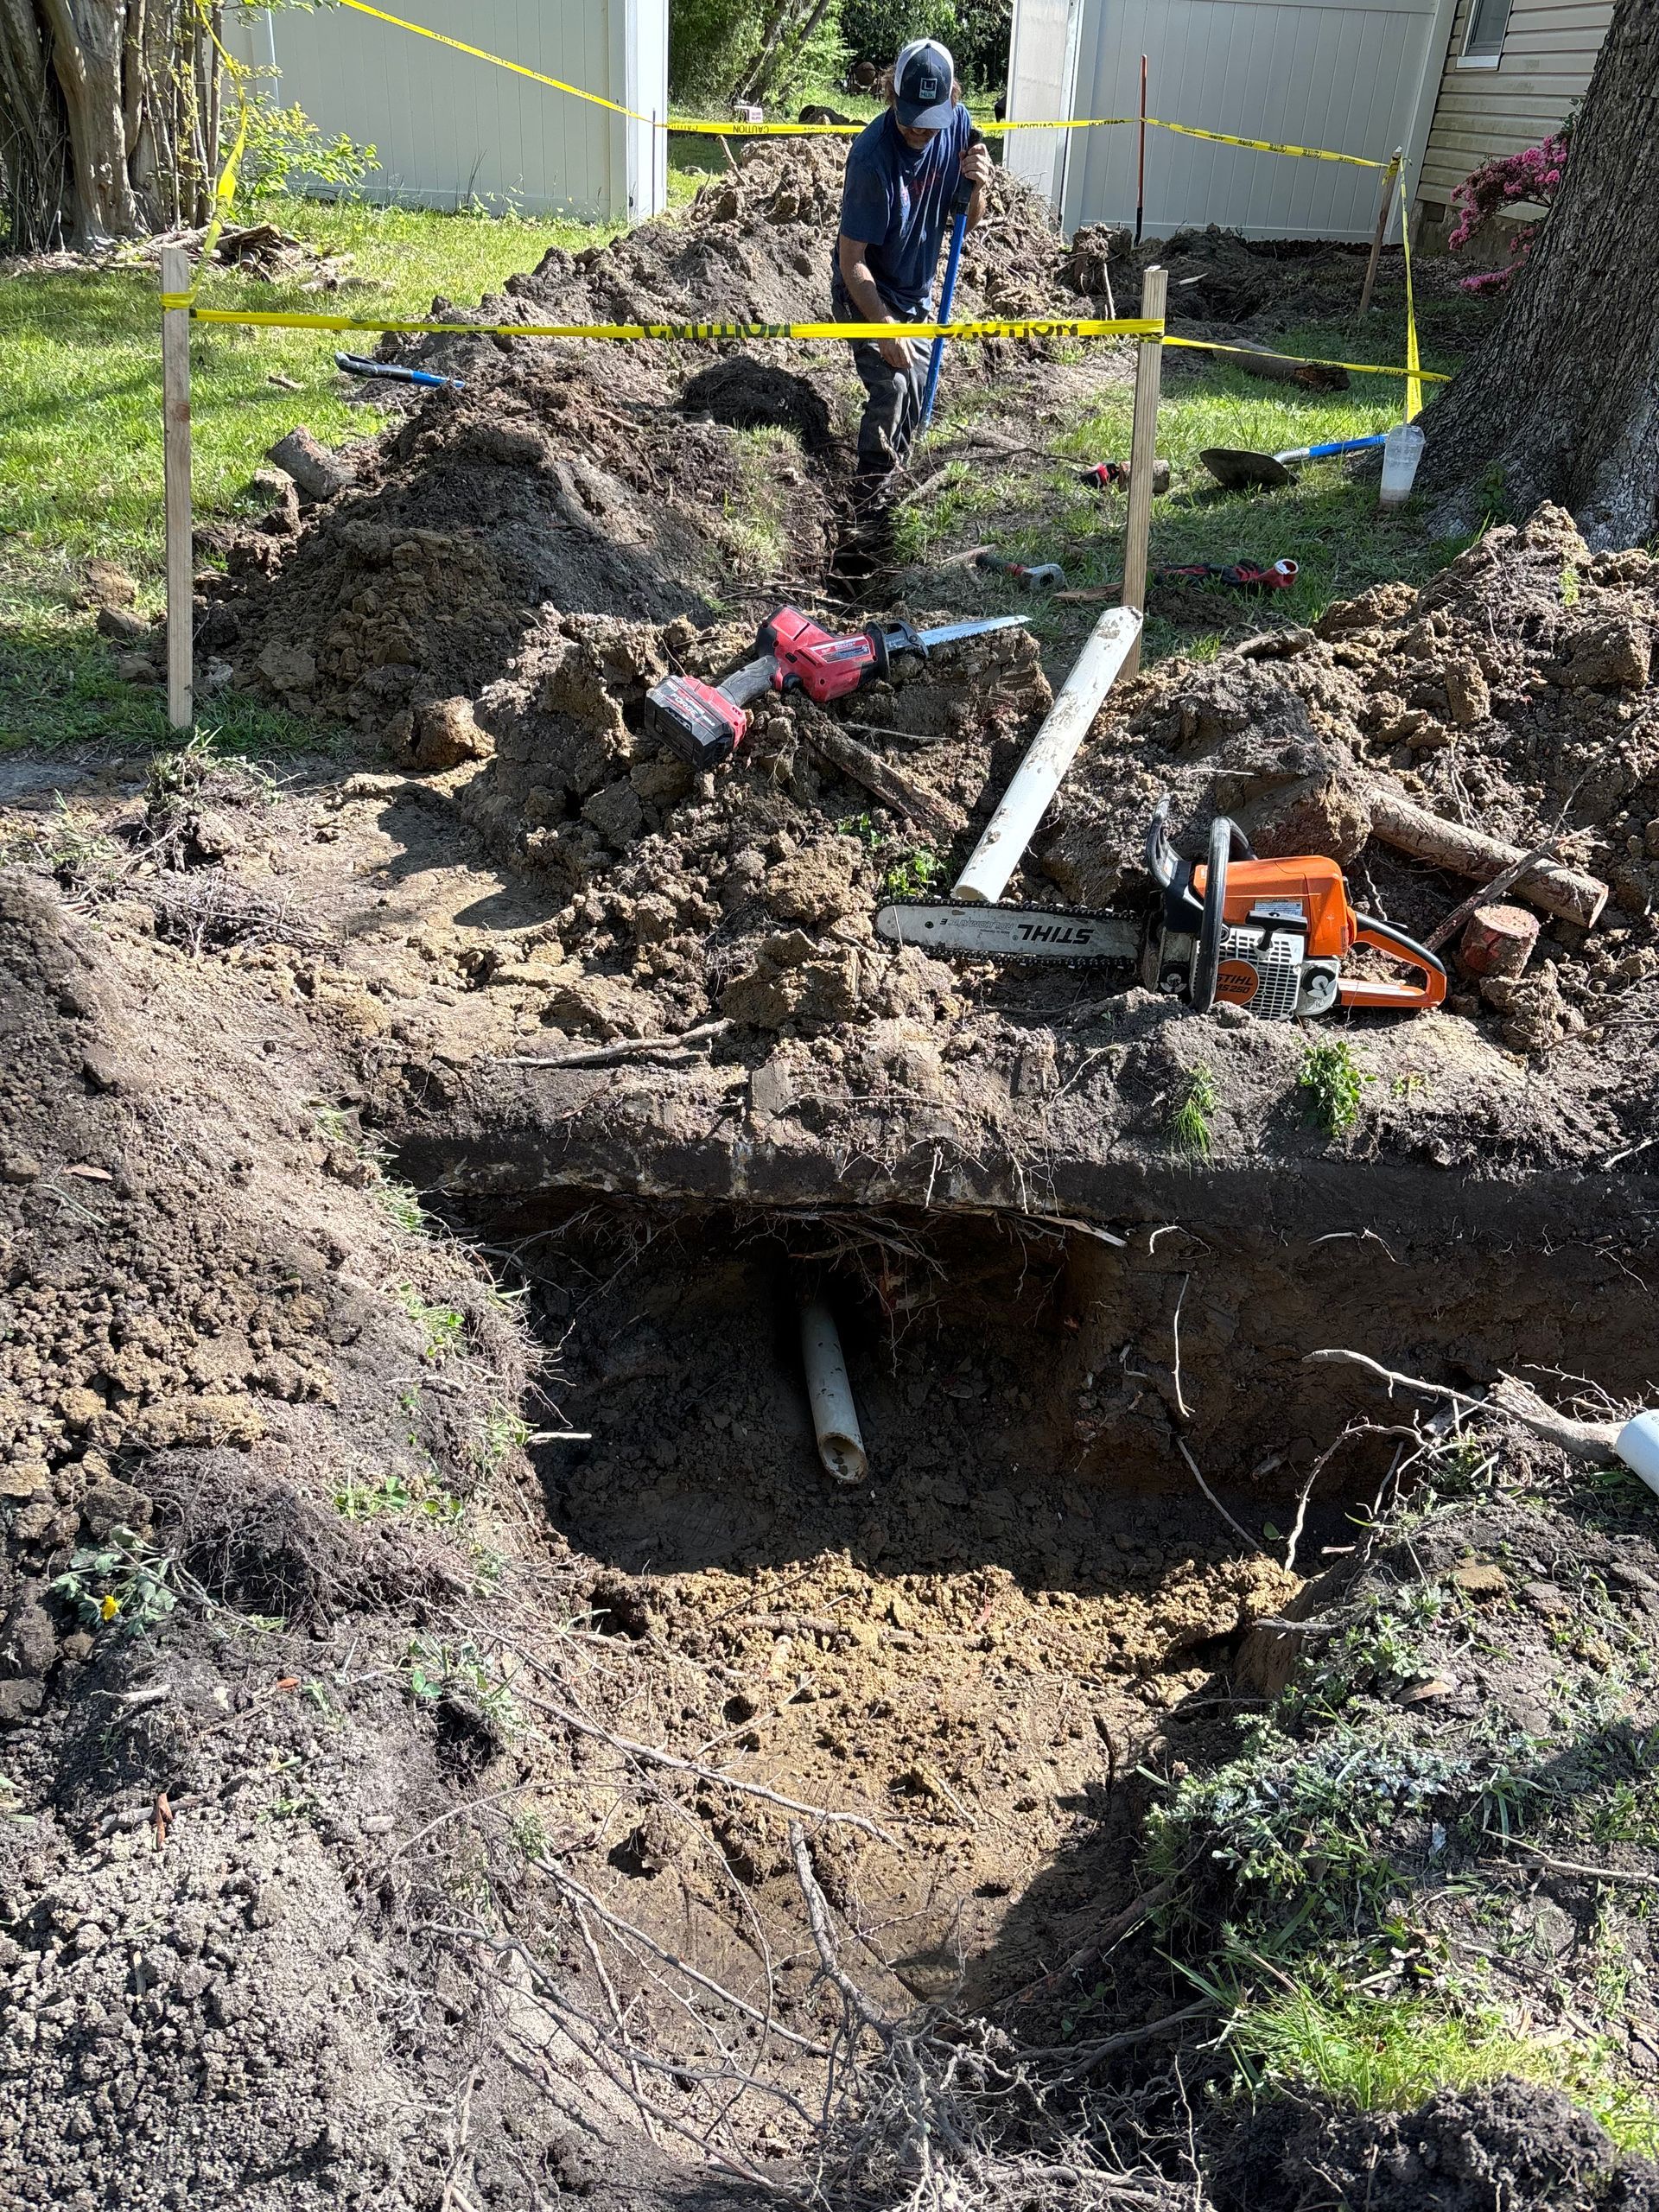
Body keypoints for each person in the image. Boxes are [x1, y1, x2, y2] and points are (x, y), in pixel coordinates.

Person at [832, 38, 992, 497]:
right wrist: (883, 328)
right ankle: (868, 505)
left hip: (916, 292)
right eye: (912, 119)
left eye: (932, 121)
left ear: (951, 102)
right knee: (894, 389)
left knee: (919, 386)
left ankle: (900, 490)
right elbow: (851, 260)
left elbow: (967, 219)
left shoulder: (959, 129)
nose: (922, 130)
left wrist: (976, 188)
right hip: (866, 291)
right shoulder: (871, 159)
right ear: (892, 98)